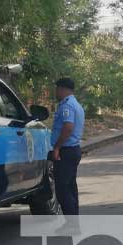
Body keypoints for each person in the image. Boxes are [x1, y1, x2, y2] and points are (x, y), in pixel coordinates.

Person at [51, 78, 85, 218]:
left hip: (66, 151)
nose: (56, 92)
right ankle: (73, 221)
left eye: (57, 89)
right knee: (71, 187)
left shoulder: (67, 106)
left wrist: (57, 147)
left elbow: (68, 127)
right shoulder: (76, 104)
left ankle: (71, 224)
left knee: (62, 189)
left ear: (62, 89)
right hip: (73, 149)